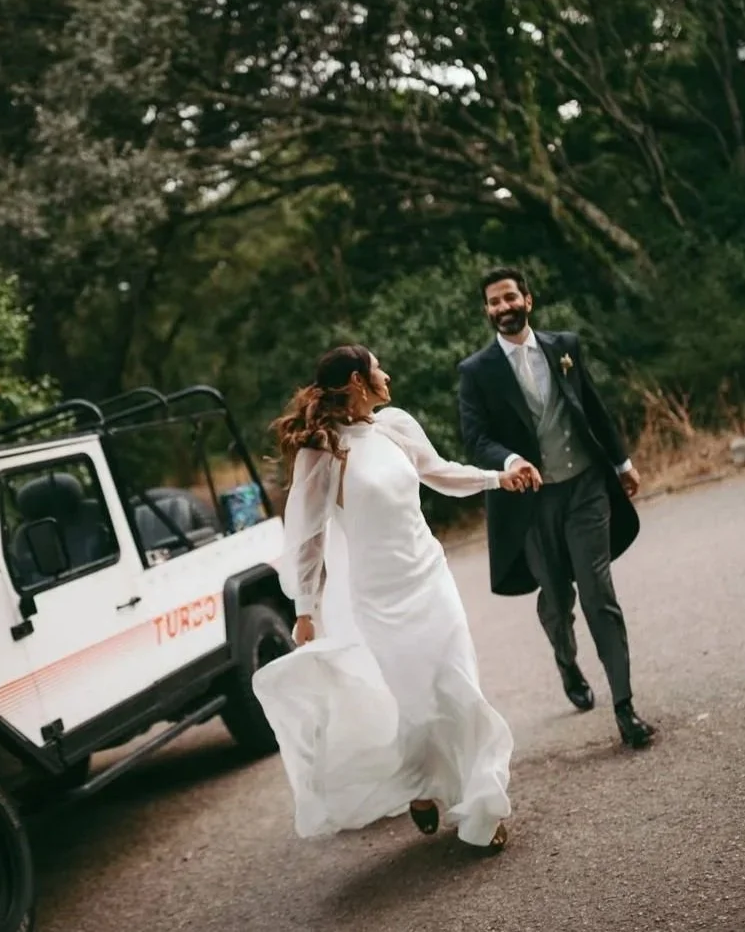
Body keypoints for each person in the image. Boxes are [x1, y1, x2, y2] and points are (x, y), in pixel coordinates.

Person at [252, 344, 525, 849]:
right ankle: (418, 784)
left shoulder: (395, 425)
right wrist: (305, 610)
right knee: (417, 704)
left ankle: (482, 807)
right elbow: (308, 540)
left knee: (459, 684)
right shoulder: (323, 450)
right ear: (358, 380)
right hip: (380, 597)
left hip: (430, 577)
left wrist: (497, 478)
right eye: (378, 368)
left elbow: (438, 472)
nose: (387, 374)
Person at [457, 266, 655, 749]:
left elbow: (591, 405)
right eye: (493, 302)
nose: (503, 307)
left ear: (528, 298)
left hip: (585, 487)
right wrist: (510, 460)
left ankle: (625, 707)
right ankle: (566, 660)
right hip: (530, 503)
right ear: (487, 310)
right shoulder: (476, 371)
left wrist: (621, 460)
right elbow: (475, 437)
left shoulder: (565, 346)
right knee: (558, 598)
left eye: (510, 297)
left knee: (596, 593)